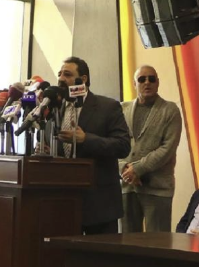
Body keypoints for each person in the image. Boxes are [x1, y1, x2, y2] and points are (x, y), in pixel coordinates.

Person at [55, 56, 131, 235]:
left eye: (67, 74)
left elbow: (123, 146)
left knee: (99, 254)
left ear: (83, 79)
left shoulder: (108, 107)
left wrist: (86, 139)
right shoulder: (56, 108)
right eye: (59, 74)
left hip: (99, 205)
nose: (61, 79)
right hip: (64, 203)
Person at [119, 66, 182, 233]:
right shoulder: (121, 109)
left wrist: (137, 169)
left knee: (157, 243)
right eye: (142, 79)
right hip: (127, 186)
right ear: (134, 83)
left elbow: (167, 149)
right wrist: (124, 169)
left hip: (157, 188)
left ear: (158, 82)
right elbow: (114, 144)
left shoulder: (170, 110)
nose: (147, 83)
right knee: (127, 242)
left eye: (151, 79)